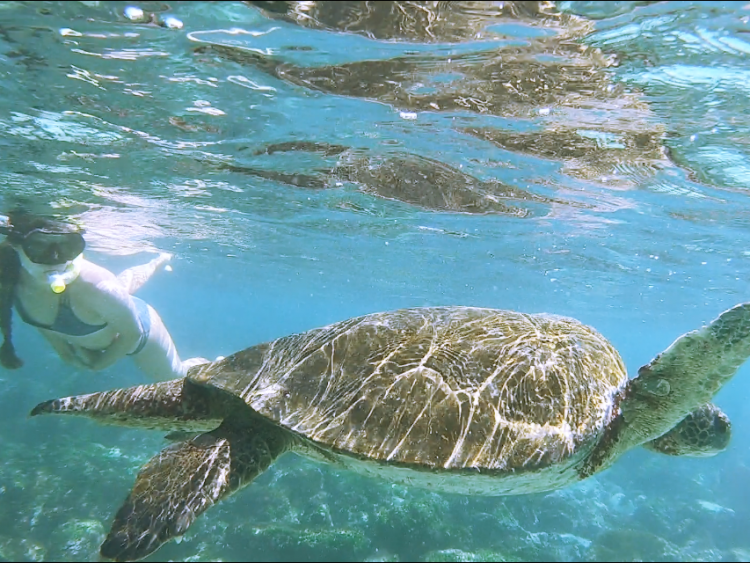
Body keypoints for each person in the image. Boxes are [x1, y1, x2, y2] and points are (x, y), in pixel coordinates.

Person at [0, 211, 207, 380]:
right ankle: (156, 262)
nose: (55, 259)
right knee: (116, 291)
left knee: (176, 377)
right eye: (39, 246)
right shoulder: (9, 279)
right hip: (103, 314)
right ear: (16, 246)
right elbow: (42, 325)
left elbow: (132, 333)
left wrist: (101, 363)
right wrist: (63, 350)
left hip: (136, 334)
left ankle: (211, 366)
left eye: (67, 247)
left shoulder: (97, 286)